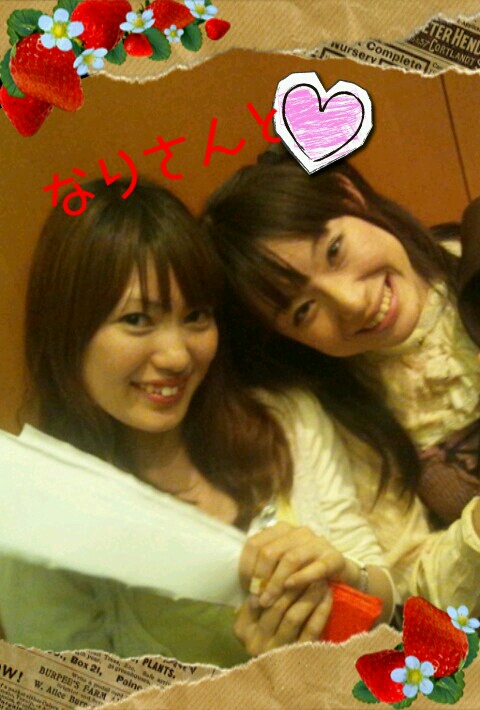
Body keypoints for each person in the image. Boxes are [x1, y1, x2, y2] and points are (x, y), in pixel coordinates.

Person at [0, 177, 394, 667]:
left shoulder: (286, 420)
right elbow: (72, 693)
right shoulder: (45, 523)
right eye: (137, 320)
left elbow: (383, 595)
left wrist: (350, 580)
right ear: (68, 330)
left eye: (196, 317)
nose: (177, 356)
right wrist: (261, 680)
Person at [202, 144, 480, 615]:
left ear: (348, 193)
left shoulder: (474, 260)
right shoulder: (348, 421)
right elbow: (414, 588)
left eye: (334, 251)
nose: (352, 303)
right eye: (303, 310)